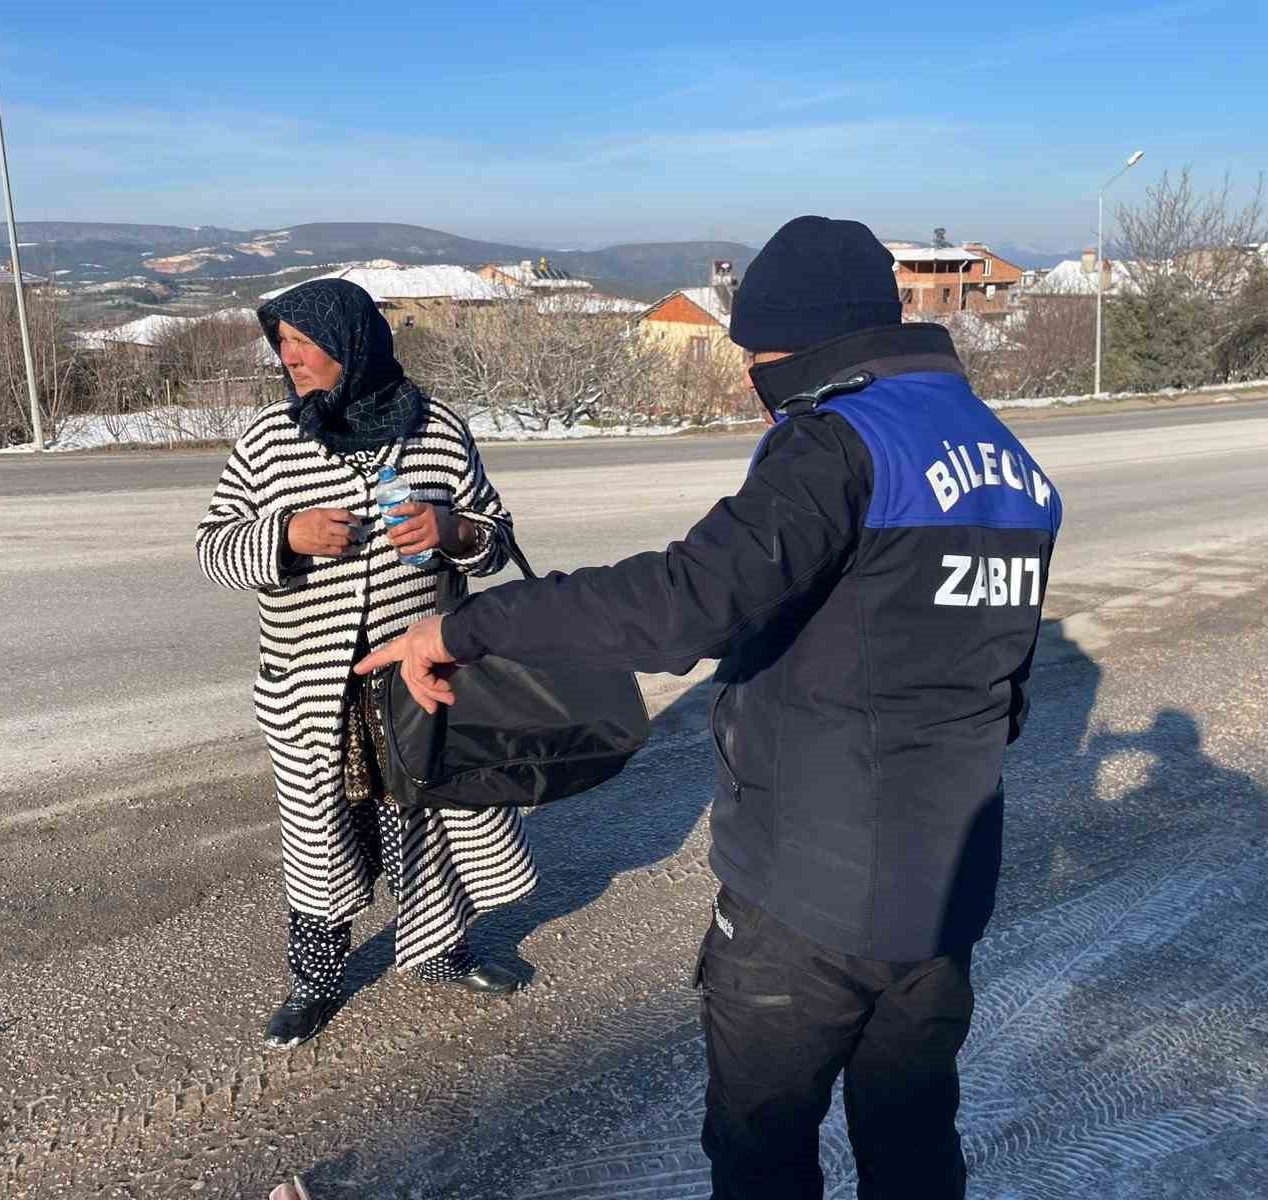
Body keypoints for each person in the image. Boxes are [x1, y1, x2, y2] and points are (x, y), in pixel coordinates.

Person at [358, 217, 1063, 1198]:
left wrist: (469, 628)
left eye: (757, 355)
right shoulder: (1010, 465)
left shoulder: (838, 439)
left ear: (803, 342)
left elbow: (684, 605)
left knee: (761, 1149)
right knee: (910, 1142)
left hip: (806, 894)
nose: (747, 379)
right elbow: (1006, 689)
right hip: (941, 891)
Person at [197, 278, 536, 1050]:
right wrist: (282, 537)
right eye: (280, 343)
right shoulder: (267, 443)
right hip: (311, 693)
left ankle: (441, 951)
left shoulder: (438, 432)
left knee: (428, 824)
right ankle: (315, 981)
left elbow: (496, 536)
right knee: (323, 837)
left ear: (354, 344)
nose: (289, 359)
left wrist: (451, 530)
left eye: (304, 343)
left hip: (416, 685)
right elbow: (212, 549)